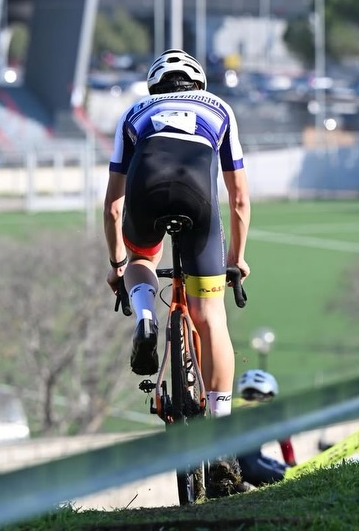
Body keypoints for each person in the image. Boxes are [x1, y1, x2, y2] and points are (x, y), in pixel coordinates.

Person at [102, 48, 251, 419]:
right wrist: (236, 258)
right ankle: (220, 428)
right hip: (198, 199)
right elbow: (239, 199)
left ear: (154, 87)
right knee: (210, 315)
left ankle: (145, 313)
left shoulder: (134, 113)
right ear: (199, 82)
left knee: (141, 259)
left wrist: (118, 264)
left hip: (145, 195)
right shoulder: (219, 107)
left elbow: (113, 207)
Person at [235, 369, 297, 489]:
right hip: (251, 466)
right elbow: (285, 442)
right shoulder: (269, 412)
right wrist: (294, 467)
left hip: (229, 464)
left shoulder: (232, 405)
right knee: (289, 474)